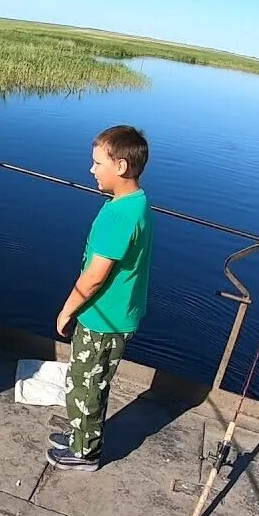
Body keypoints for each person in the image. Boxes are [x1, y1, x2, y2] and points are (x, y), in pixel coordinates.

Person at [48, 125, 152, 471]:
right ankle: (81, 434)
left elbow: (94, 277)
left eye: (97, 163)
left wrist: (66, 311)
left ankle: (85, 452)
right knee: (87, 379)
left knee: (87, 385)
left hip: (104, 319)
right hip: (116, 313)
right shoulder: (136, 203)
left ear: (120, 167)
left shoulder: (119, 214)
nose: (91, 170)